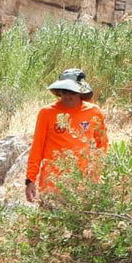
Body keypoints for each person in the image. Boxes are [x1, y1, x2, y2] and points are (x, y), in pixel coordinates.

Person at [24, 68, 109, 203]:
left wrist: (97, 174)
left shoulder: (94, 112)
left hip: (83, 184)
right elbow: (37, 148)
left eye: (72, 92)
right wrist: (30, 179)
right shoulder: (46, 113)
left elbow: (102, 145)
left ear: (80, 92)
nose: (67, 96)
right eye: (64, 92)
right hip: (52, 185)